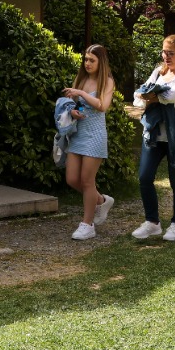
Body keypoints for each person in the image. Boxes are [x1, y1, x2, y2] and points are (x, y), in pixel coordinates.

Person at [131, 35, 175, 241]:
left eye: (171, 53)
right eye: (164, 52)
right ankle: (152, 223)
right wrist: (148, 96)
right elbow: (137, 97)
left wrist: (150, 95)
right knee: (144, 177)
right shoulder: (158, 72)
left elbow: (169, 97)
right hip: (154, 135)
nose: (166, 57)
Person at [62, 44, 116, 240]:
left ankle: (87, 224)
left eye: (92, 60)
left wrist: (82, 94)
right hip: (77, 134)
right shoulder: (82, 79)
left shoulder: (107, 82)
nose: (87, 63)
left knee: (87, 181)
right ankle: (101, 200)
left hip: (95, 135)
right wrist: (72, 111)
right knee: (72, 179)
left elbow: (102, 106)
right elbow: (73, 104)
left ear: (101, 62)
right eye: (85, 59)